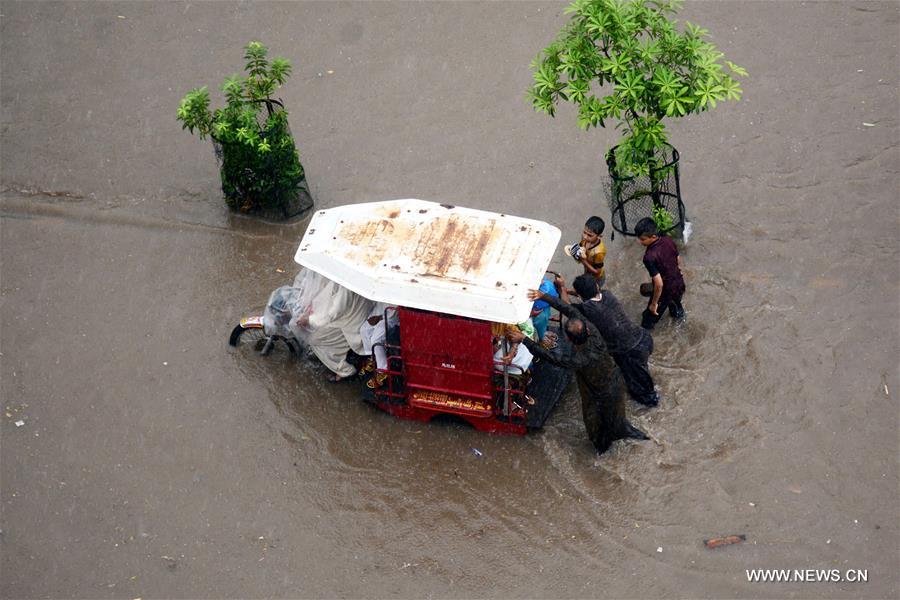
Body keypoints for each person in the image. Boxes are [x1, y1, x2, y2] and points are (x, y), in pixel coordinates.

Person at [507, 318, 646, 454]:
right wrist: (545, 297)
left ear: (568, 339)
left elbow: (550, 357)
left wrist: (525, 340)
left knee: (597, 430)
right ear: (586, 329)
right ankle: (625, 434)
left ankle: (602, 450)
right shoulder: (595, 336)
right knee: (618, 420)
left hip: (599, 395)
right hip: (615, 384)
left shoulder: (577, 360)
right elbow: (571, 311)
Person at [530, 274, 660, 407]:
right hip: (643, 338)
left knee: (642, 390)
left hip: (630, 351)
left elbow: (566, 306)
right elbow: (584, 297)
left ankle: (651, 402)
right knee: (639, 372)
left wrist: (561, 288)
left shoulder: (587, 310)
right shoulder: (607, 294)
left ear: (580, 296)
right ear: (597, 287)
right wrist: (567, 290)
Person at [634, 217, 686, 330]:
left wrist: (654, 304)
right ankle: (681, 323)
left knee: (648, 318)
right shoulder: (668, 240)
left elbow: (659, 284)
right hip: (679, 283)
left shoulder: (649, 257)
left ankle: (644, 337)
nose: (640, 242)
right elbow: (677, 259)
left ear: (652, 237)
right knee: (676, 308)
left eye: (642, 239)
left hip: (666, 290)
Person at [358, 303, 399, 389]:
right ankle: (373, 359)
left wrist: (380, 318)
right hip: (378, 313)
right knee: (364, 330)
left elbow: (392, 313)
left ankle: (383, 370)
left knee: (375, 340)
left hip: (390, 318)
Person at [565, 216, 607, 287]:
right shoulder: (586, 239)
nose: (585, 237)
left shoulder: (599, 252)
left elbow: (597, 272)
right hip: (587, 271)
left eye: (590, 235)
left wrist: (583, 260)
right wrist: (575, 250)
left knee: (591, 291)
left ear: (599, 236)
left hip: (596, 279)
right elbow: (581, 246)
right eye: (584, 232)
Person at [530, 274, 560, 345]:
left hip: (541, 300)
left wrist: (539, 279)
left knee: (545, 313)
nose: (543, 282)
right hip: (531, 301)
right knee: (540, 317)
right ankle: (541, 336)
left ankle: (542, 332)